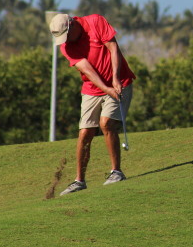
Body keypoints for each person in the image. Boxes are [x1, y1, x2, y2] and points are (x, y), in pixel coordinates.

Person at [49, 13, 136, 195]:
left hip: (120, 81)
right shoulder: (67, 46)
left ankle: (116, 172)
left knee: (106, 123)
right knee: (85, 133)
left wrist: (115, 79)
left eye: (66, 35)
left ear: (72, 25)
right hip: (92, 88)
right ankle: (79, 180)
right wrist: (106, 88)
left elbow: (113, 48)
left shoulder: (95, 21)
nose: (65, 41)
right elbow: (87, 71)